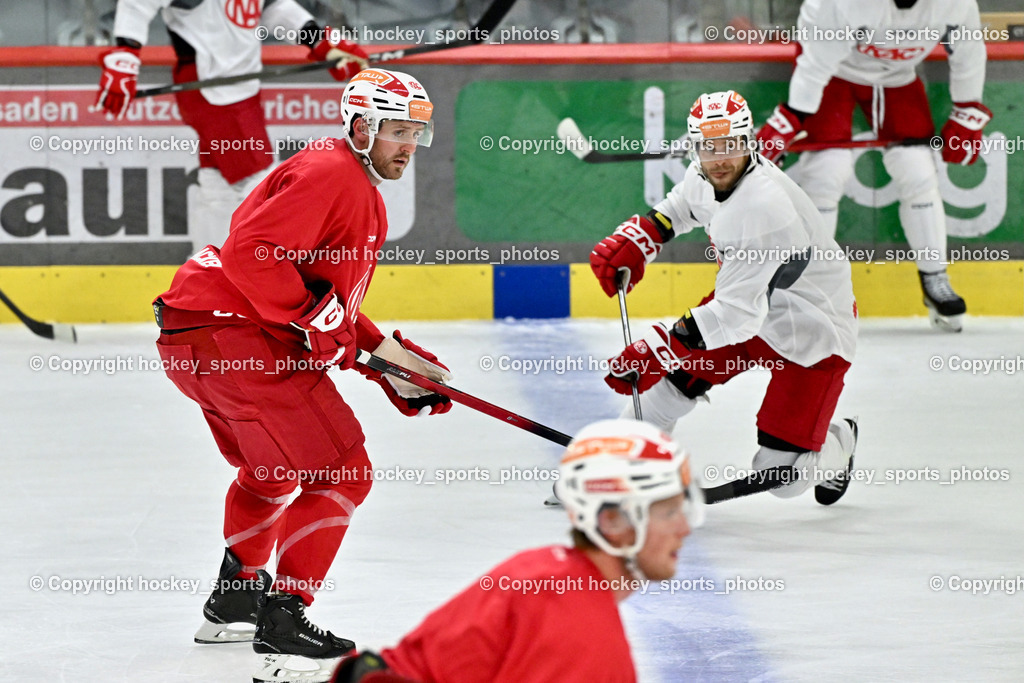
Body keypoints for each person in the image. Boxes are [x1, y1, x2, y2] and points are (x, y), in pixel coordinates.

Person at [152, 68, 451, 683]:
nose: (408, 147)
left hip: (196, 336)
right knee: (343, 471)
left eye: (416, 133)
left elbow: (315, 292)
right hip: (236, 337)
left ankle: (235, 601)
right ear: (362, 126)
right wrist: (322, 320)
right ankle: (285, 625)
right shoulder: (335, 173)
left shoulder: (337, 172)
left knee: (270, 471)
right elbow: (252, 256)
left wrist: (385, 358)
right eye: (398, 131)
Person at [589, 89, 859, 505]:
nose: (720, 158)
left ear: (749, 140)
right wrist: (646, 234)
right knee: (668, 384)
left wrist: (661, 345)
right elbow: (683, 205)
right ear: (695, 147)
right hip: (748, 301)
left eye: (731, 144)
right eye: (708, 147)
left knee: (783, 479)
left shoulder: (763, 206)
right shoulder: (707, 172)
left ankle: (839, 441)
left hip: (810, 330)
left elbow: (736, 316)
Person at [329, 418, 703, 683]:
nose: (684, 528)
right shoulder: (583, 634)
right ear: (612, 521)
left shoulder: (540, 568)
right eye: (668, 512)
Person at [755, 0, 991, 332]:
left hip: (896, 78)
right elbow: (816, 62)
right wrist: (793, 116)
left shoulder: (954, 2)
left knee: (918, 170)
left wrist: (968, 110)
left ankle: (935, 275)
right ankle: (806, 289)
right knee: (825, 172)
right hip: (832, 71)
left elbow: (968, 49)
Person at [93, 0, 369, 251]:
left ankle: (204, 276)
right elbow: (137, 4)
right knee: (263, 188)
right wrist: (126, 56)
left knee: (218, 191)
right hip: (214, 91)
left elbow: (273, 8)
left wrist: (320, 41)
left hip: (236, 90)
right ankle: (259, 279)